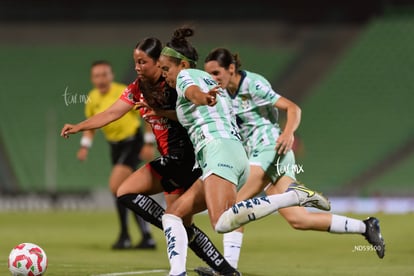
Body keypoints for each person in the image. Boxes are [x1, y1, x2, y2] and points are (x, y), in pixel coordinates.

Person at [61, 38, 242, 276]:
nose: (137, 67)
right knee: (182, 225)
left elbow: (193, 106)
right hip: (171, 159)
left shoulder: (174, 84)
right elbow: (113, 112)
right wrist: (80, 126)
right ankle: (226, 270)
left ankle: (181, 261)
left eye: (142, 62)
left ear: (159, 62)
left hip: (185, 158)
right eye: (135, 61)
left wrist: (166, 110)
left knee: (126, 191)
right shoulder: (138, 87)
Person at [158, 27, 331, 276]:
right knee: (173, 215)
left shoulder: (187, 78)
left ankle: (292, 196)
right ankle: (177, 273)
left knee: (221, 223)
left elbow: (193, 95)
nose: (165, 75)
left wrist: (201, 98)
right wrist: (165, 112)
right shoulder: (213, 83)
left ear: (182, 64)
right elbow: (199, 108)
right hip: (231, 153)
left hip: (218, 152)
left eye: (166, 69)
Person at [201, 47, 385, 271]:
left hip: (271, 150)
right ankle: (366, 227)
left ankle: (227, 268)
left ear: (231, 69)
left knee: (234, 206)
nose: (212, 79)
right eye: (209, 74)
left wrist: (288, 133)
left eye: (216, 73)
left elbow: (293, 108)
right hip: (265, 157)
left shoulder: (253, 84)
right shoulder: (221, 95)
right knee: (299, 220)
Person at [78, 60, 156, 250]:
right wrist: (84, 146)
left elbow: (146, 113)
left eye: (104, 74)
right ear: (92, 78)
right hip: (115, 147)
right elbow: (92, 125)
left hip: (132, 142)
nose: (101, 79)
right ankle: (144, 236)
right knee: (126, 190)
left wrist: (147, 142)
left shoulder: (124, 91)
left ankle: (126, 235)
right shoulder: (92, 97)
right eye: (97, 75)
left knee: (116, 186)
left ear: (111, 76)